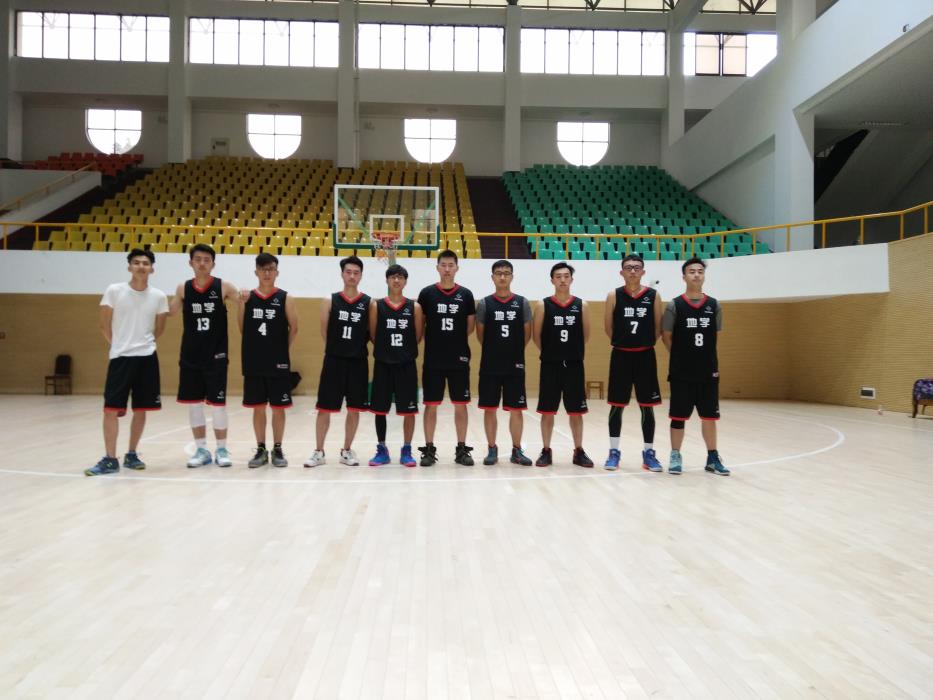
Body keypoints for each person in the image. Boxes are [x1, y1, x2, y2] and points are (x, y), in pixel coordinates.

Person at [85, 248, 168, 476]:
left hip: (147, 359)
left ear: (152, 269)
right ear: (129, 267)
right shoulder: (114, 291)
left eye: (145, 263)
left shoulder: (159, 296)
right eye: (137, 262)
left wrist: (143, 344)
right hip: (121, 358)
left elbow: (159, 329)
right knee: (110, 409)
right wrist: (119, 345)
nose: (141, 266)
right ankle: (110, 459)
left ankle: (132, 454)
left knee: (140, 409)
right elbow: (104, 325)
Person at [169, 243, 238, 468]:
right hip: (191, 355)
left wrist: (246, 296)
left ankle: (222, 449)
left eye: (206, 260)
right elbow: (169, 311)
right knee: (194, 405)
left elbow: (244, 301)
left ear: (213, 264)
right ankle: (201, 449)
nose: (202, 263)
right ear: (191, 263)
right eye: (198, 259)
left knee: (218, 405)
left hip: (216, 354)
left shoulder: (223, 286)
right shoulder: (183, 288)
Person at [661, 257, 729, 476]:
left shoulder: (714, 305)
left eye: (700, 271)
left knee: (709, 416)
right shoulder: (674, 305)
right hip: (681, 372)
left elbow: (715, 336)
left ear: (704, 276)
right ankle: (675, 455)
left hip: (708, 371)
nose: (696, 274)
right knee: (678, 416)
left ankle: (712, 457)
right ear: (684, 277)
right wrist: (680, 357)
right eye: (692, 271)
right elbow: (666, 336)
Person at [304, 256, 371, 468]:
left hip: (358, 362)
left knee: (354, 409)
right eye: (348, 272)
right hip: (334, 361)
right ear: (342, 274)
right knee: (324, 408)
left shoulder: (369, 303)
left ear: (361, 276)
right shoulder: (330, 301)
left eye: (356, 272)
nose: (352, 276)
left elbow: (372, 333)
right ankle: (319, 451)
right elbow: (324, 332)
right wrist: (338, 350)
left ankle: (347, 450)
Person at [603, 254, 664, 472]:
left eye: (637, 267)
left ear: (643, 272)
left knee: (647, 406)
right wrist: (624, 342)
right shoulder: (614, 295)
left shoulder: (653, 295)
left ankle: (649, 453)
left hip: (645, 356)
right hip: (621, 356)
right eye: (628, 267)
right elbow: (608, 327)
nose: (632, 271)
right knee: (616, 406)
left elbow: (658, 327)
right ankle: (613, 452)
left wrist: (643, 343)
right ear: (621, 272)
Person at [237, 252, 298, 468]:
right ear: (256, 272)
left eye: (271, 269)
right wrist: (241, 302)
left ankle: (278, 448)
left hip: (278, 362)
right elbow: (242, 327)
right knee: (258, 407)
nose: (267, 273)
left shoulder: (285, 298)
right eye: (263, 269)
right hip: (254, 361)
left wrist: (281, 350)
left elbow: (294, 328)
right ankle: (261, 449)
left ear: (277, 272)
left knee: (279, 407)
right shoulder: (247, 298)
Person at [416, 250, 476, 467]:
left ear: (457, 268)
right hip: (434, 359)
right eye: (444, 265)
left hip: (459, 359)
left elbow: (469, 327)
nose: (447, 269)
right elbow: (420, 325)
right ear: (438, 267)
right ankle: (429, 449)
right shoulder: (427, 294)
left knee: (460, 405)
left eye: (451, 265)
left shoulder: (466, 295)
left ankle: (461, 449)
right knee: (431, 405)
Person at [532, 263, 594, 467]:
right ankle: (546, 450)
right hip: (550, 365)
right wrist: (552, 353)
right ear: (552, 280)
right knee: (547, 411)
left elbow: (585, 336)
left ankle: (579, 451)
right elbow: (536, 336)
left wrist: (570, 352)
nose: (563, 280)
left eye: (566, 276)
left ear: (571, 280)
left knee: (576, 411)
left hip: (574, 365)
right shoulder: (543, 305)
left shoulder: (582, 305)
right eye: (558, 276)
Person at [476, 260, 534, 466]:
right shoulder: (484, 303)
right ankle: (492, 449)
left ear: (512, 277)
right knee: (490, 408)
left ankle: (516, 451)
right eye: (498, 273)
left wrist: (512, 351)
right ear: (492, 277)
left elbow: (527, 334)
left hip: (514, 365)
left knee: (516, 409)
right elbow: (481, 336)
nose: (502, 277)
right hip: (490, 365)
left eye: (506, 273)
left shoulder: (522, 302)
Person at [368, 264, 424, 467]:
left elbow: (418, 336)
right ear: (387, 280)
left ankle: (407, 449)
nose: (396, 280)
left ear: (405, 281)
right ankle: (382, 449)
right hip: (383, 364)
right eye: (393, 277)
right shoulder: (377, 306)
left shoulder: (414, 307)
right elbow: (373, 335)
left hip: (406, 365)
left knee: (409, 410)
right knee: (380, 410)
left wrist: (402, 353)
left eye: (400, 277)